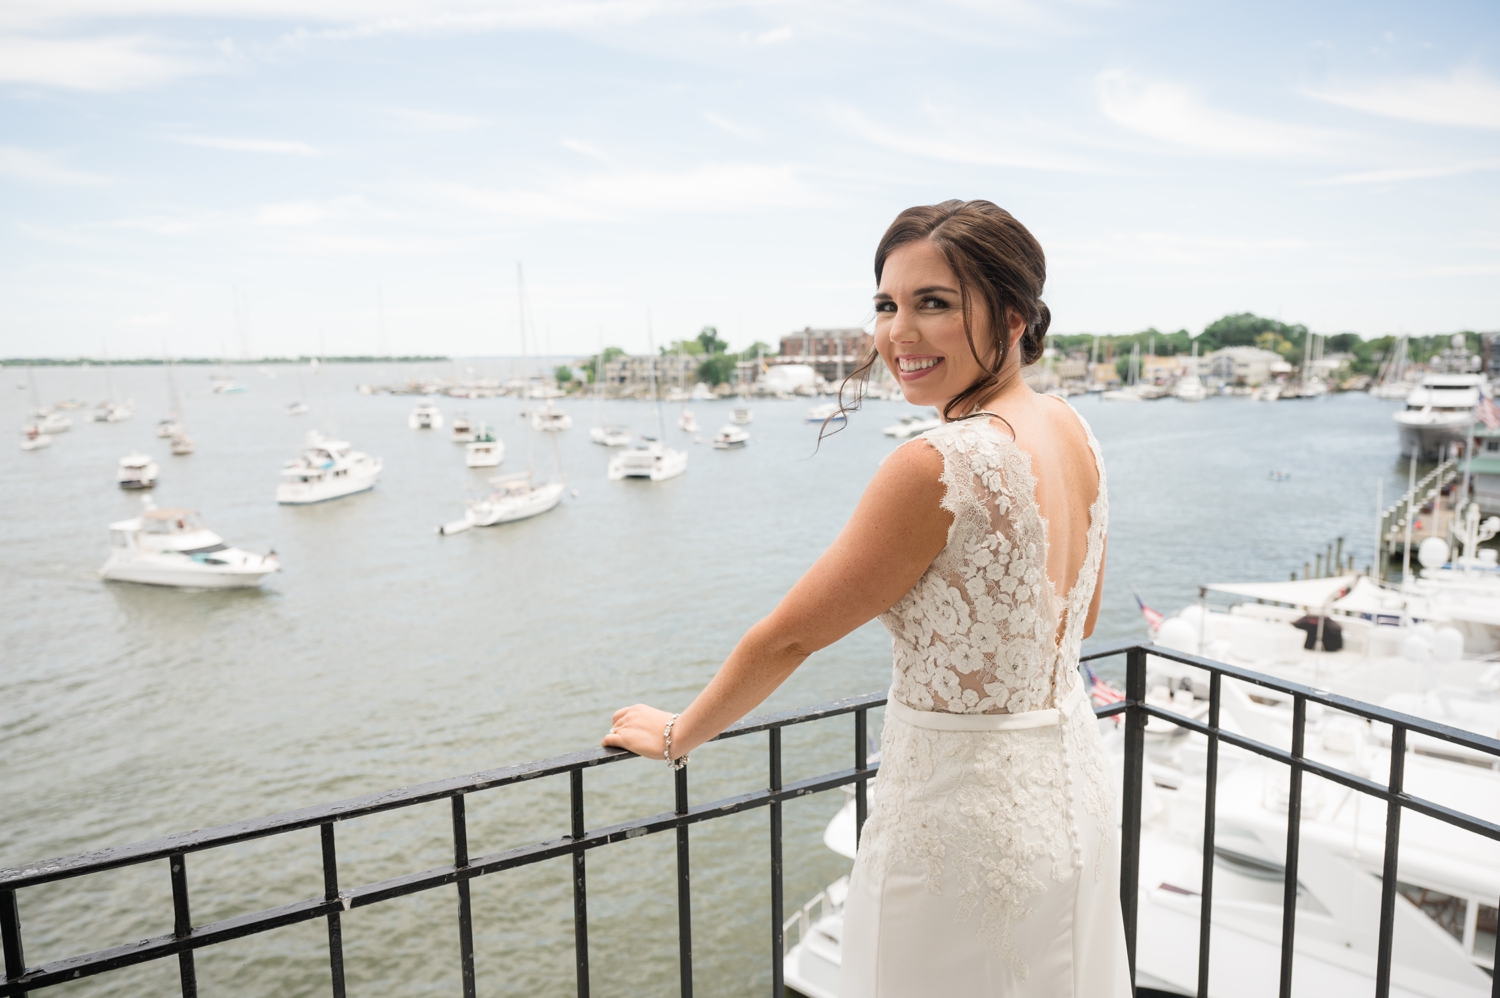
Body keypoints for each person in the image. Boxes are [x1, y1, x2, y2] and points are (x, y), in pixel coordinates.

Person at [604, 199, 1130, 996]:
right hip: (1070, 797)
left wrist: (680, 733)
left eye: (935, 304)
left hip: (961, 831)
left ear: (1015, 316)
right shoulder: (1072, 429)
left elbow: (786, 638)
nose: (899, 335)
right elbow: (1079, 620)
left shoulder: (940, 464)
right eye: (887, 304)